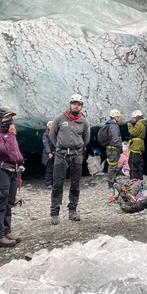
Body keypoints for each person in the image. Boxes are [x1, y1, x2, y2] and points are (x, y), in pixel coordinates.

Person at [49, 93, 91, 225]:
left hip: (77, 155)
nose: (76, 106)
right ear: (70, 104)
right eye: (74, 103)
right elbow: (52, 135)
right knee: (57, 184)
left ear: (81, 106)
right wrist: (59, 147)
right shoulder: (60, 119)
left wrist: (77, 147)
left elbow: (86, 139)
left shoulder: (84, 122)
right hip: (61, 155)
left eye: (78, 104)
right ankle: (54, 213)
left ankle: (72, 211)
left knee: (75, 184)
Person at [0, 107, 24, 248]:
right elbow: (7, 153)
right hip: (1, 170)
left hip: (13, 171)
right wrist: (11, 136)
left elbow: (16, 154)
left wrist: (20, 164)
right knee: (1, 203)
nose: (9, 120)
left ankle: (7, 231)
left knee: (9, 201)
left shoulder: (9, 135)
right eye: (6, 117)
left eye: (11, 117)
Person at [99, 109, 124, 194]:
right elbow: (115, 138)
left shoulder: (109, 124)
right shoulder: (113, 125)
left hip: (110, 148)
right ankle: (111, 183)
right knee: (113, 166)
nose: (119, 118)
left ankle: (113, 180)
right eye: (118, 116)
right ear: (115, 116)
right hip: (113, 148)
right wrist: (120, 147)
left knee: (112, 165)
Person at [127, 110, 147, 182]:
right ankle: (139, 179)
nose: (134, 119)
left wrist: (129, 126)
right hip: (138, 145)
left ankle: (134, 180)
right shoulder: (142, 123)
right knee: (138, 162)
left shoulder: (139, 123)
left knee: (133, 162)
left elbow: (133, 133)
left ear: (137, 117)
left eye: (134, 118)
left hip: (136, 145)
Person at [42, 121, 54, 188]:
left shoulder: (56, 134)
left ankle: (55, 183)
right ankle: (48, 183)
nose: (51, 126)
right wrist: (49, 152)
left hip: (55, 153)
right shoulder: (45, 135)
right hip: (48, 154)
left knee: (56, 169)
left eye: (52, 124)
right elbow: (46, 144)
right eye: (50, 125)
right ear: (47, 126)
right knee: (49, 169)